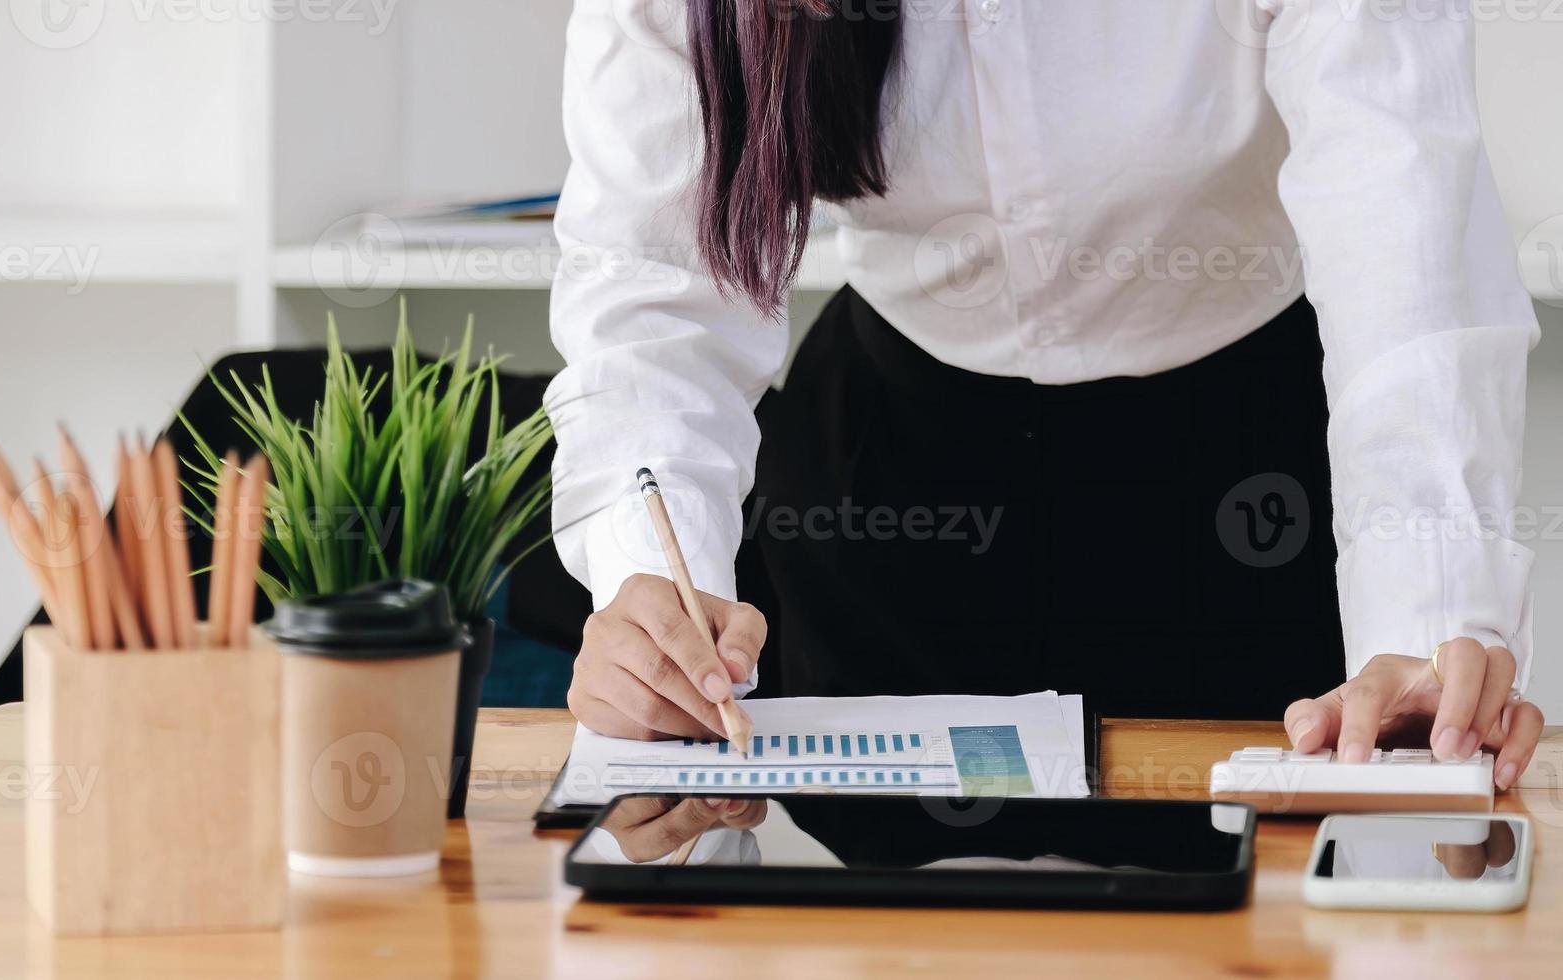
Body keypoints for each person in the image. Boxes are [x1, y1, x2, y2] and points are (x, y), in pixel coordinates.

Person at [544, 0, 1544, 790]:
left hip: (1242, 506)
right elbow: (654, 292)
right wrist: (650, 589)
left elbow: (1406, 248)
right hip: (891, 515)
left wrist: (1426, 625)